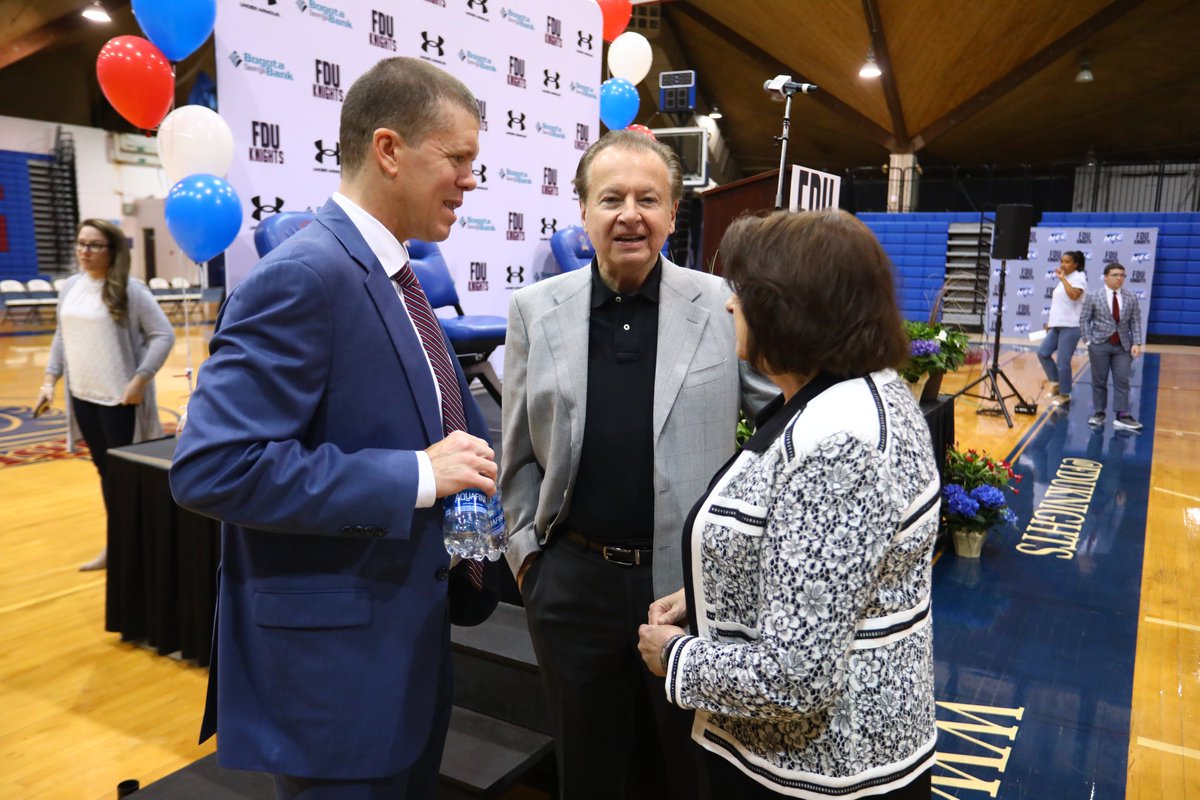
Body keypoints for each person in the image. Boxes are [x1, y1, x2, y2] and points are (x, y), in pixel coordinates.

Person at [169, 57, 498, 799]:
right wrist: (415, 476)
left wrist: (486, 556)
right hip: (337, 691)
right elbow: (214, 467)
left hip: (403, 660)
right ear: (388, 149)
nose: (470, 180)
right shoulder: (304, 277)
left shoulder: (397, 280)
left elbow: (456, 437)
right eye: (457, 159)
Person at [501, 129, 775, 800]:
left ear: (673, 214)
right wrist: (529, 562)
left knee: (685, 778)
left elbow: (779, 426)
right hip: (571, 586)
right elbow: (516, 456)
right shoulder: (535, 310)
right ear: (584, 212)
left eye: (648, 199)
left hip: (688, 594)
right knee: (588, 775)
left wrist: (746, 556)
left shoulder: (721, 303)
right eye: (611, 198)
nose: (630, 214)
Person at [638, 209, 939, 799]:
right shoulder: (847, 392)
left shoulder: (841, 446)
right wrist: (705, 593)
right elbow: (813, 566)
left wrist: (676, 660)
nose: (730, 306)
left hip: (820, 774)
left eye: (743, 291)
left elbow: (794, 678)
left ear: (790, 308)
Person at [36, 219, 175, 571]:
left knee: (125, 479)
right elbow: (62, 336)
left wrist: (139, 381)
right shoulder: (71, 287)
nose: (85, 251)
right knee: (105, 474)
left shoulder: (131, 290)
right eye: (81, 243)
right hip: (83, 396)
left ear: (112, 250)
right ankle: (118, 546)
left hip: (119, 400)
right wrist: (49, 381)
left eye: (94, 245)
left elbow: (163, 335)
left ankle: (138, 547)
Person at [1079, 261, 1144, 431]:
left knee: (1122, 380)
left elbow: (1135, 321)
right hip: (1099, 344)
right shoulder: (1094, 296)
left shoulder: (1131, 297)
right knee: (1099, 380)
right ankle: (1099, 412)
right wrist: (1088, 341)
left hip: (1122, 345)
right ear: (1106, 277)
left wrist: (1136, 342)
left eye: (1122, 275)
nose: (1119, 278)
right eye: (1115, 275)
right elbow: (1084, 319)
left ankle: (1122, 415)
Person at [1037, 249, 1087, 407]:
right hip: (1058, 325)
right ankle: (1056, 383)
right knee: (1043, 353)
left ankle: (1065, 395)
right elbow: (1061, 304)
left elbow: (1074, 296)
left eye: (1067, 262)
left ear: (1076, 264)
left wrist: (1063, 279)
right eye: (1062, 261)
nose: (1063, 264)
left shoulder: (1079, 277)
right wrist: (1051, 323)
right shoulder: (1065, 278)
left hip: (1071, 326)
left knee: (1063, 362)